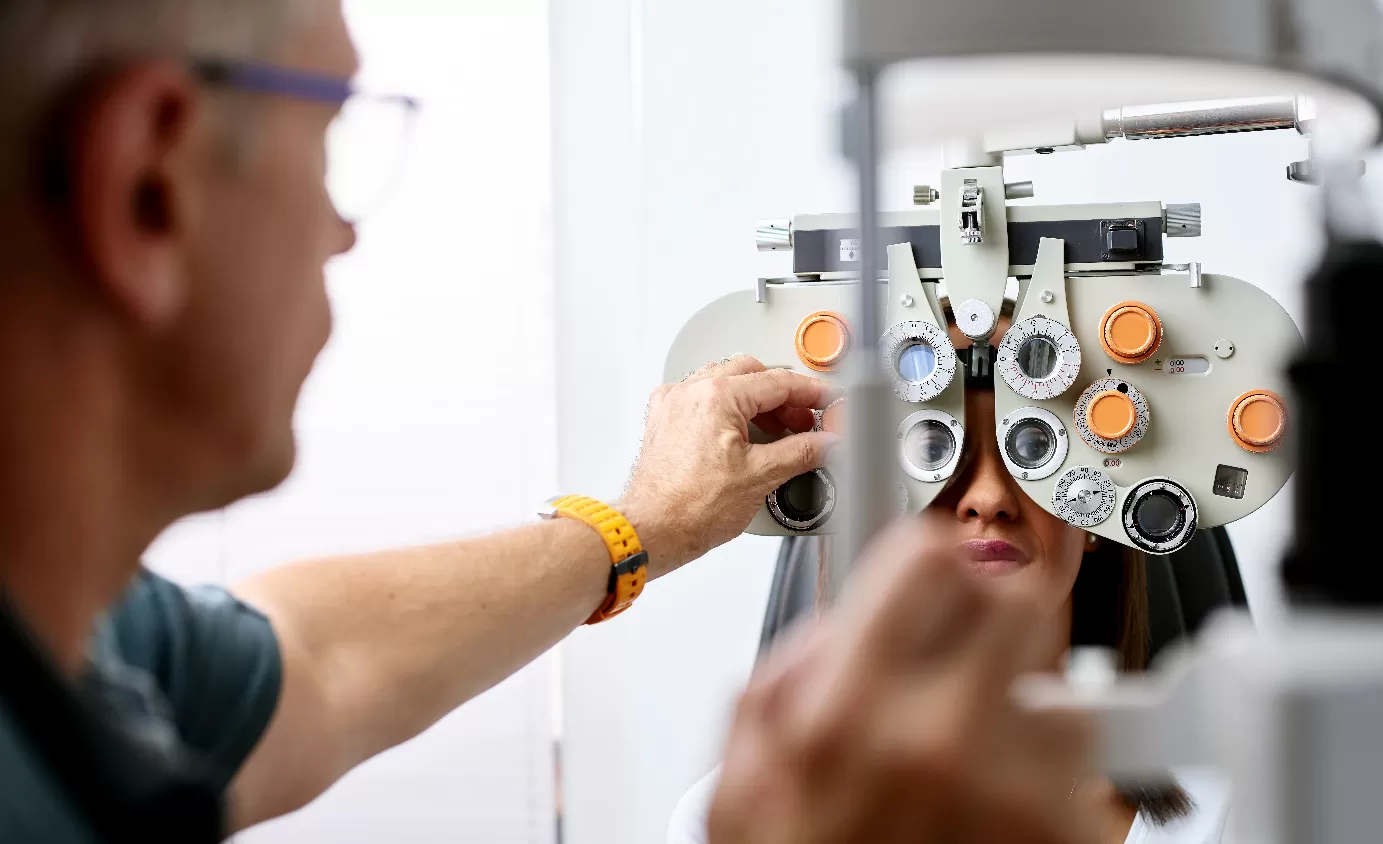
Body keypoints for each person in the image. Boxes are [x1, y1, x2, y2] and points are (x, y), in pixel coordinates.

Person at [0, 1, 845, 840]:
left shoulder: (90, 642)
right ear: (150, 187)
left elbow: (323, 660)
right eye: (327, 137)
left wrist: (648, 525)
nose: (342, 234)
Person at [672, 324, 1233, 844]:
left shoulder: (1231, 815)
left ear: (1094, 519)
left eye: (1035, 448)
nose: (987, 497)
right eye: (931, 451)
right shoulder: (732, 819)